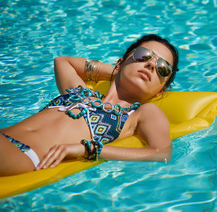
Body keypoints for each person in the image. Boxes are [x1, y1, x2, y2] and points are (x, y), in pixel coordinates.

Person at [0, 34, 179, 176]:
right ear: (122, 61)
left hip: (24, 155)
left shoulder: (142, 113)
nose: (151, 65)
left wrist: (89, 149)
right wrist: (118, 72)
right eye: (143, 55)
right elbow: (63, 61)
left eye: (163, 69)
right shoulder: (81, 91)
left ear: (160, 90)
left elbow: (161, 153)